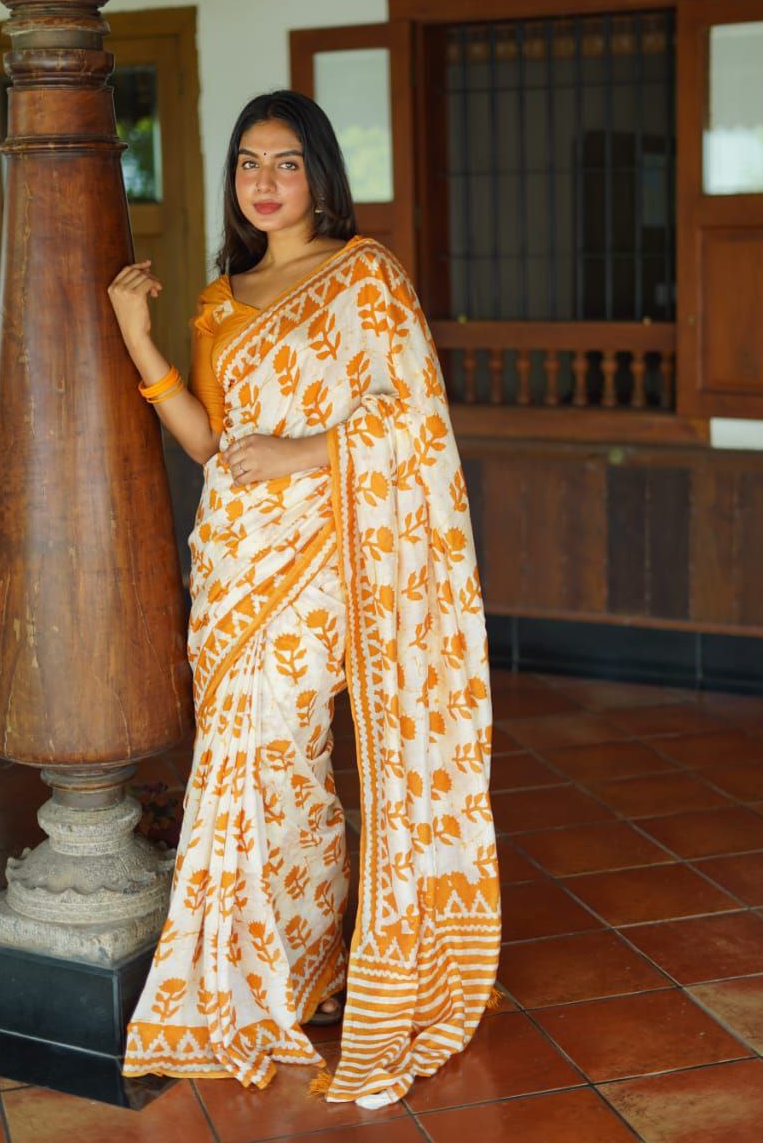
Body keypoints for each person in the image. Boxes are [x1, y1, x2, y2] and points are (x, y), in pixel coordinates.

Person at [109, 90, 500, 1108]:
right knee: (247, 764)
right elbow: (204, 441)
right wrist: (139, 337)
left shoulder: (366, 276)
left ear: (319, 173)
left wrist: (302, 448)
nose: (264, 183)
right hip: (234, 556)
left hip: (331, 551)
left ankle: (270, 975)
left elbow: (411, 423)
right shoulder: (220, 296)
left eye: (285, 162)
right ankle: (287, 964)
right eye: (247, 163)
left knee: (273, 754)